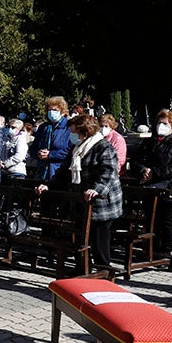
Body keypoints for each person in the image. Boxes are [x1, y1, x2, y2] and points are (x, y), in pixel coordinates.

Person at [37, 113, 123, 275]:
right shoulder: (76, 148)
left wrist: (97, 189)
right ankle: (82, 269)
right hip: (80, 200)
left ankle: (104, 272)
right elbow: (64, 173)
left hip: (101, 203)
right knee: (79, 238)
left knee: (99, 241)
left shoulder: (103, 147)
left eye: (74, 132)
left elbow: (109, 172)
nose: (71, 135)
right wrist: (49, 185)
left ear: (84, 132)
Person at [136, 108, 172, 258]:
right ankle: (150, 248)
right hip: (151, 186)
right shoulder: (151, 141)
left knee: (167, 221)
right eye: (159, 122)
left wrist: (155, 172)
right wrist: (144, 170)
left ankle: (166, 250)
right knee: (151, 219)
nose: (161, 125)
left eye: (165, 123)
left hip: (171, 186)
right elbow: (137, 160)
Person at [29, 96, 74, 181]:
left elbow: (71, 150)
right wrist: (39, 153)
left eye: (55, 110)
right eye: (50, 110)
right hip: (41, 172)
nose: (52, 112)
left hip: (60, 172)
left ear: (63, 112)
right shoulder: (43, 127)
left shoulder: (69, 127)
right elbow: (33, 147)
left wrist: (50, 155)